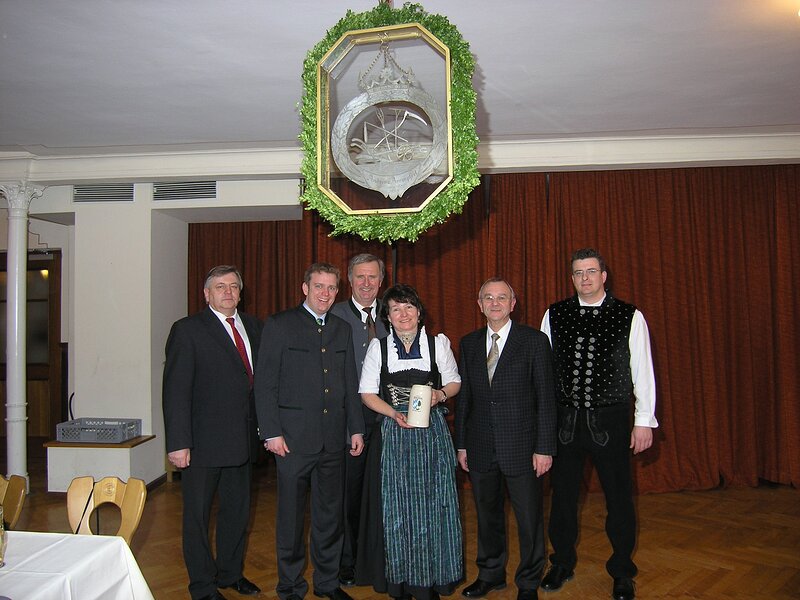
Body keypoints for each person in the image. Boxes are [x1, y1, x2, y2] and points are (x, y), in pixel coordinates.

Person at [539, 249, 658, 600]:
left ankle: (622, 569)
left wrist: (643, 421)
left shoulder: (629, 316)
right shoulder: (554, 314)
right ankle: (561, 561)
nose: (585, 278)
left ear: (604, 275)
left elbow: (643, 372)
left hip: (612, 420)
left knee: (619, 499)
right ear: (572, 277)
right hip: (565, 422)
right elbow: (544, 374)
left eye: (591, 271)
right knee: (562, 498)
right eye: (578, 273)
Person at [255, 262, 365, 600]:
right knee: (290, 518)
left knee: (329, 518)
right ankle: (290, 585)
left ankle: (327, 583)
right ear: (305, 288)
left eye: (332, 288)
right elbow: (265, 384)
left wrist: (355, 429)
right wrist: (271, 432)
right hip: (292, 441)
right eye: (319, 286)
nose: (326, 294)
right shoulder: (280, 325)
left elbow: (349, 383)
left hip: (333, 439)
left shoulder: (341, 328)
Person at [357, 283, 463, 600]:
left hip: (432, 434)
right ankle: (402, 580)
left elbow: (455, 382)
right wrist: (392, 413)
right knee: (398, 508)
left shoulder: (437, 344)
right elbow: (366, 394)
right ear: (387, 317)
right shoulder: (379, 348)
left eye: (408, 307)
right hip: (395, 434)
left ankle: (433, 578)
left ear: (419, 312)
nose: (403, 314)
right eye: (395, 309)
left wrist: (440, 394)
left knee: (435, 506)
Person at [163, 265, 263, 600]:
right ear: (206, 294)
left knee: (237, 514)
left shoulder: (254, 326)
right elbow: (175, 390)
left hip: (244, 442)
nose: (228, 292)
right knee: (197, 519)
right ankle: (202, 587)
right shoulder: (187, 330)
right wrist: (178, 443)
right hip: (201, 445)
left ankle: (229, 574)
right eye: (220, 287)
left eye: (234, 286)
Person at [455, 278, 557, 600]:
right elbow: (466, 399)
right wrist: (462, 444)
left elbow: (546, 398)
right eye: (489, 297)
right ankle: (490, 574)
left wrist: (544, 448)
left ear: (513, 304)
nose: (495, 303)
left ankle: (528, 582)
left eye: (502, 297)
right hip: (481, 446)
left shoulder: (534, 341)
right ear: (480, 304)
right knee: (487, 516)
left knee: (529, 520)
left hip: (523, 448)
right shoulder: (469, 343)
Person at [329, 253, 389, 587]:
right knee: (348, 495)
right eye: (360, 278)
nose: (367, 284)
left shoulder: (394, 313)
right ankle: (346, 562)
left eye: (373, 278)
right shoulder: (334, 315)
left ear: (382, 281)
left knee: (380, 493)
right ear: (350, 281)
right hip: (347, 422)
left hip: (385, 420)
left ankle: (377, 559)